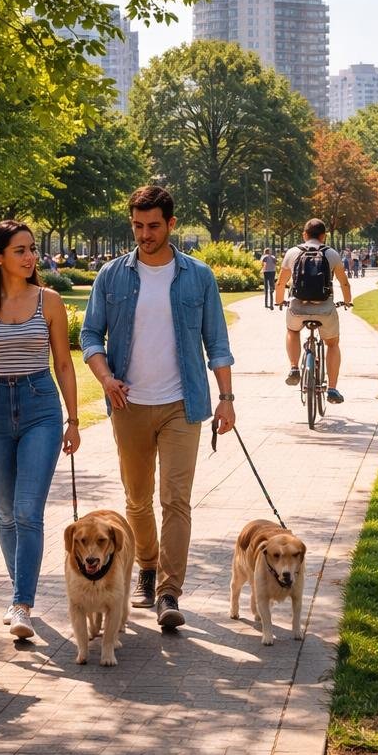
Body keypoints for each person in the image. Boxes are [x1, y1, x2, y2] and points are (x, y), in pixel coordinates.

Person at [82, 185, 235, 632]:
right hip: (128, 405)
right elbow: (90, 335)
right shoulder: (112, 275)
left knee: (176, 500)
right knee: (136, 499)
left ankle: (169, 591)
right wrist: (105, 378)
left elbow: (217, 343)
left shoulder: (198, 276)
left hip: (182, 405)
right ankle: (146, 566)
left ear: (171, 224)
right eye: (137, 226)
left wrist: (226, 399)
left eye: (153, 226)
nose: (144, 234)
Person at [0, 220, 81, 641]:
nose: (30, 257)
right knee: (5, 512)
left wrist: (73, 419)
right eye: (20, 250)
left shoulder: (49, 301)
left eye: (32, 249)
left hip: (39, 407)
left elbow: (63, 363)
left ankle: (22, 603)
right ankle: (18, 593)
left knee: (28, 511)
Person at [277, 217, 353, 405]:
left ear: (304, 234)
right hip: (325, 308)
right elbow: (344, 282)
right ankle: (332, 389)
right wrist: (347, 301)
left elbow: (280, 283)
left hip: (297, 307)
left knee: (292, 330)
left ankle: (294, 368)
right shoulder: (331, 254)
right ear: (323, 236)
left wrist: (279, 301)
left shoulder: (293, 252)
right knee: (332, 344)